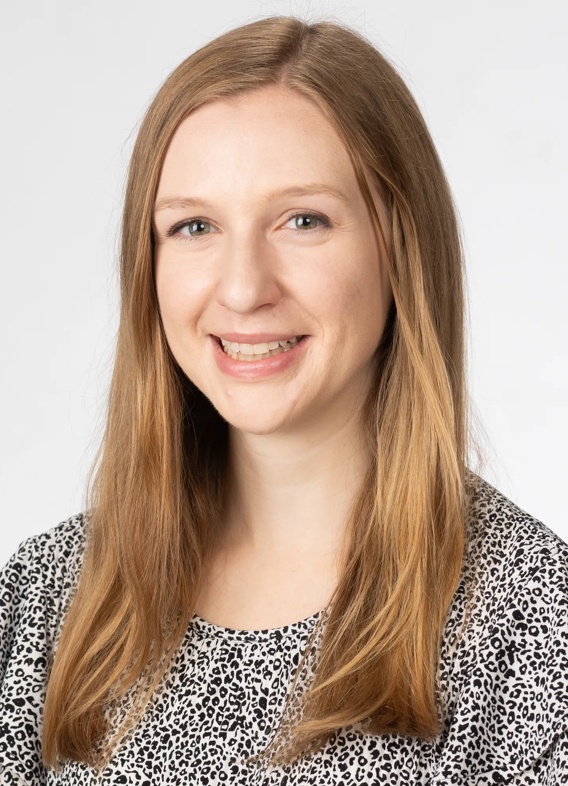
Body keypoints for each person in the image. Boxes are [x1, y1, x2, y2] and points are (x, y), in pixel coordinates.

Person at [1, 15, 567, 785]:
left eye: (303, 220)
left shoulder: (535, 623)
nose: (242, 288)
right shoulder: (44, 602)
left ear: (399, 245)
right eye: (194, 226)